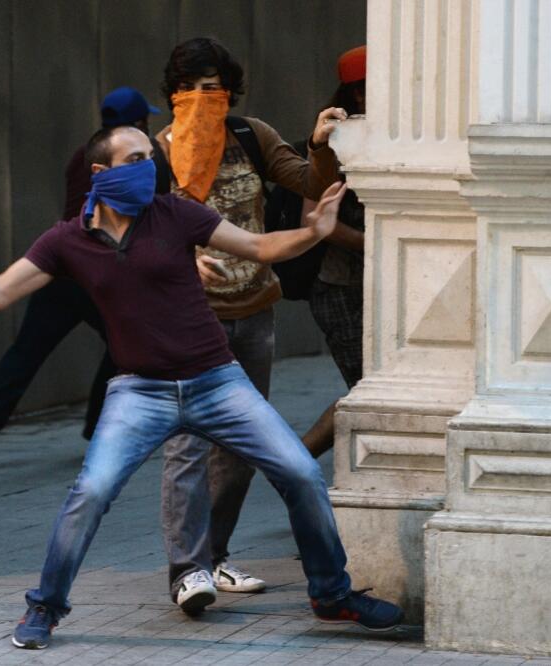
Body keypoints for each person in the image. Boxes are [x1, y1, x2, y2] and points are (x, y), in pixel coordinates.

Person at [0, 125, 403, 649]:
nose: (150, 166)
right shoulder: (67, 240)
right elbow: (1, 290)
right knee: (90, 492)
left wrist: (313, 232)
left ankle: (331, 595)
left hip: (216, 380)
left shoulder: (175, 214)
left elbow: (256, 245)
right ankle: (45, 607)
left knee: (301, 473)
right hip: (140, 392)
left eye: (150, 156)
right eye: (135, 158)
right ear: (101, 173)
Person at [153, 37, 348, 604]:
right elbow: (132, 225)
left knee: (236, 446)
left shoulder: (251, 135)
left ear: (230, 91)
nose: (201, 99)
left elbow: (310, 184)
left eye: (212, 89)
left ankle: (214, 556)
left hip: (254, 309)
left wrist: (317, 144)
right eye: (189, 89)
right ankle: (184, 570)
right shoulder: (156, 149)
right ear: (172, 95)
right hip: (190, 320)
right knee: (187, 444)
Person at [0, 86, 170, 467]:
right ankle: (96, 426)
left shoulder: (83, 157)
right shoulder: (142, 162)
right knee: (123, 346)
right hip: (102, 274)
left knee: (27, 349)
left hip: (60, 269)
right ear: (138, 122)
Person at [300, 45, 368, 459]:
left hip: (380, 286)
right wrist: (374, 247)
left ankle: (292, 465)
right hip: (342, 289)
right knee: (367, 392)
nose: (366, 98)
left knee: (373, 391)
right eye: (359, 90)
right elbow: (315, 220)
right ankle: (293, 464)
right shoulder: (336, 139)